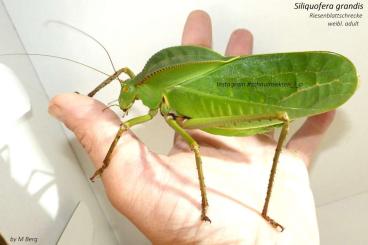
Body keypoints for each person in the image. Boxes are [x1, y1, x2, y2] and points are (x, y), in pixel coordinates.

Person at [49, 10, 334, 245]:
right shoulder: (142, 81)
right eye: (128, 91)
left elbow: (190, 143)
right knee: (126, 77)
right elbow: (126, 76)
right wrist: (89, 100)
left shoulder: (150, 86)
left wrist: (204, 207)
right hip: (200, 85)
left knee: (273, 120)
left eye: (130, 92)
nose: (126, 97)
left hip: (219, 98)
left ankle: (264, 210)